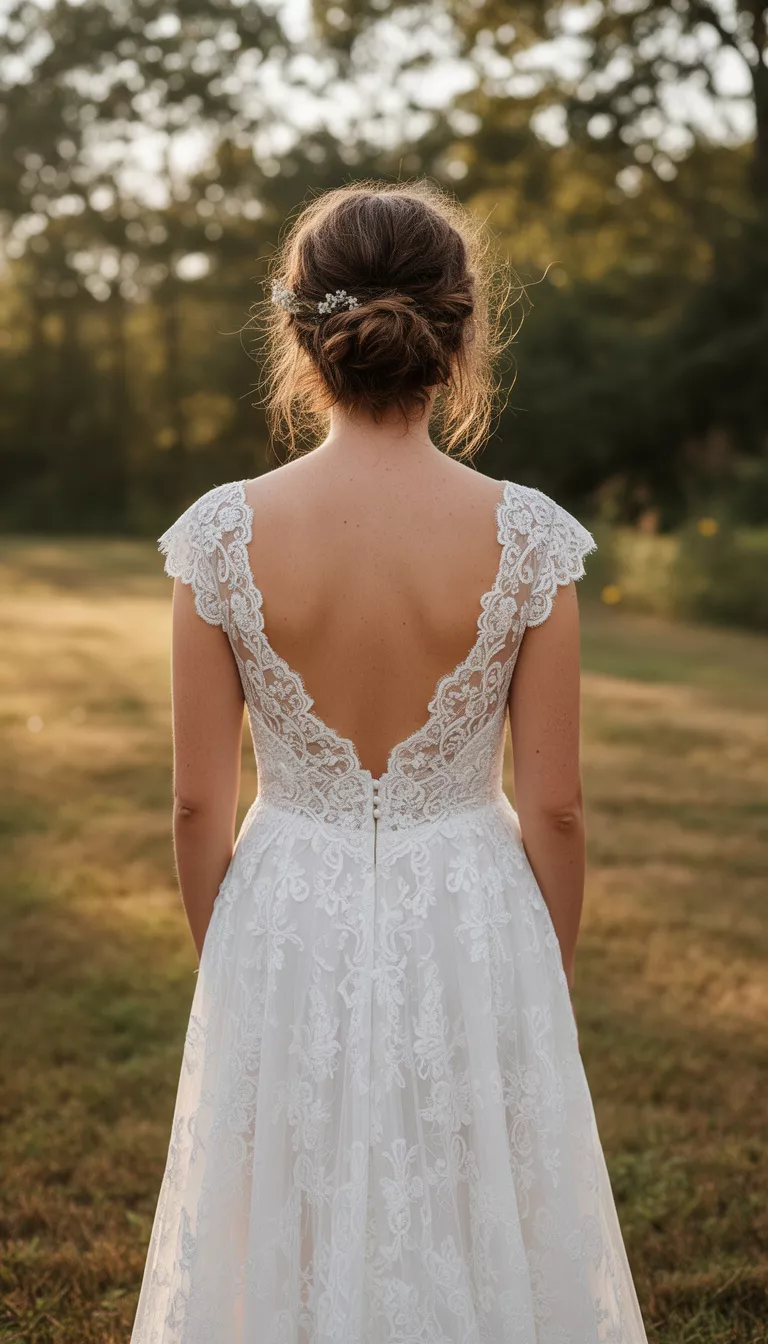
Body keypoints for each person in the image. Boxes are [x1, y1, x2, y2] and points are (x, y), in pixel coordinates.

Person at [131, 181, 648, 1343]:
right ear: (460, 338)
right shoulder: (528, 535)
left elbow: (195, 801)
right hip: (473, 907)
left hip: (282, 909)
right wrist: (539, 965)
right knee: (474, 1205)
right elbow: (554, 805)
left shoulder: (222, 533)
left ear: (302, 335)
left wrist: (235, 961)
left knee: (289, 1216)